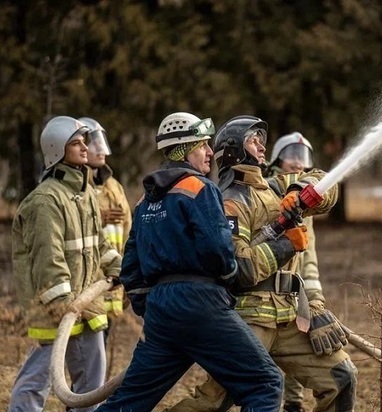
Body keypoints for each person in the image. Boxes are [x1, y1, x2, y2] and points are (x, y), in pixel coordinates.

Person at [96, 112, 283, 412]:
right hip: (201, 304)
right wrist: (230, 275)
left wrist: (152, 308)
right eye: (202, 146)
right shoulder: (201, 189)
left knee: (128, 402)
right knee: (265, 383)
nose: (210, 152)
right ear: (184, 149)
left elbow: (131, 267)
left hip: (161, 312)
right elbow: (218, 250)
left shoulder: (146, 201)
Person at [168, 116, 357, 412]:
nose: (261, 146)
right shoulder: (229, 203)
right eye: (253, 140)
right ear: (233, 151)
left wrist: (299, 190)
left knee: (341, 377)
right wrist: (286, 245)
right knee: (214, 401)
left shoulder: (277, 187)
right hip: (249, 321)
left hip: (290, 317)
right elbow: (239, 269)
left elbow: (324, 180)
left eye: (261, 140)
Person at [9, 116, 122, 412]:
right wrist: (64, 305)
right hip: (56, 308)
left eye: (84, 141)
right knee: (39, 380)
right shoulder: (46, 201)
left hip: (86, 305)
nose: (85, 147)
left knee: (92, 387)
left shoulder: (83, 193)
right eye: (76, 142)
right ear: (57, 149)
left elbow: (98, 243)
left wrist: (117, 267)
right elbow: (49, 258)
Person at [266, 132, 325, 412]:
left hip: (293, 290)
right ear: (277, 160)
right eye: (291, 155)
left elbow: (308, 256)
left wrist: (314, 300)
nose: (297, 163)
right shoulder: (263, 192)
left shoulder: (304, 202)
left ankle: (293, 404)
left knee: (299, 346)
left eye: (303, 158)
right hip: (262, 295)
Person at [78, 117, 132, 322]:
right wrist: (97, 218)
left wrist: (128, 274)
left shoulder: (115, 187)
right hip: (88, 283)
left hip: (113, 280)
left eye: (101, 142)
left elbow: (128, 232)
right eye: (93, 143)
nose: (100, 149)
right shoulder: (77, 187)